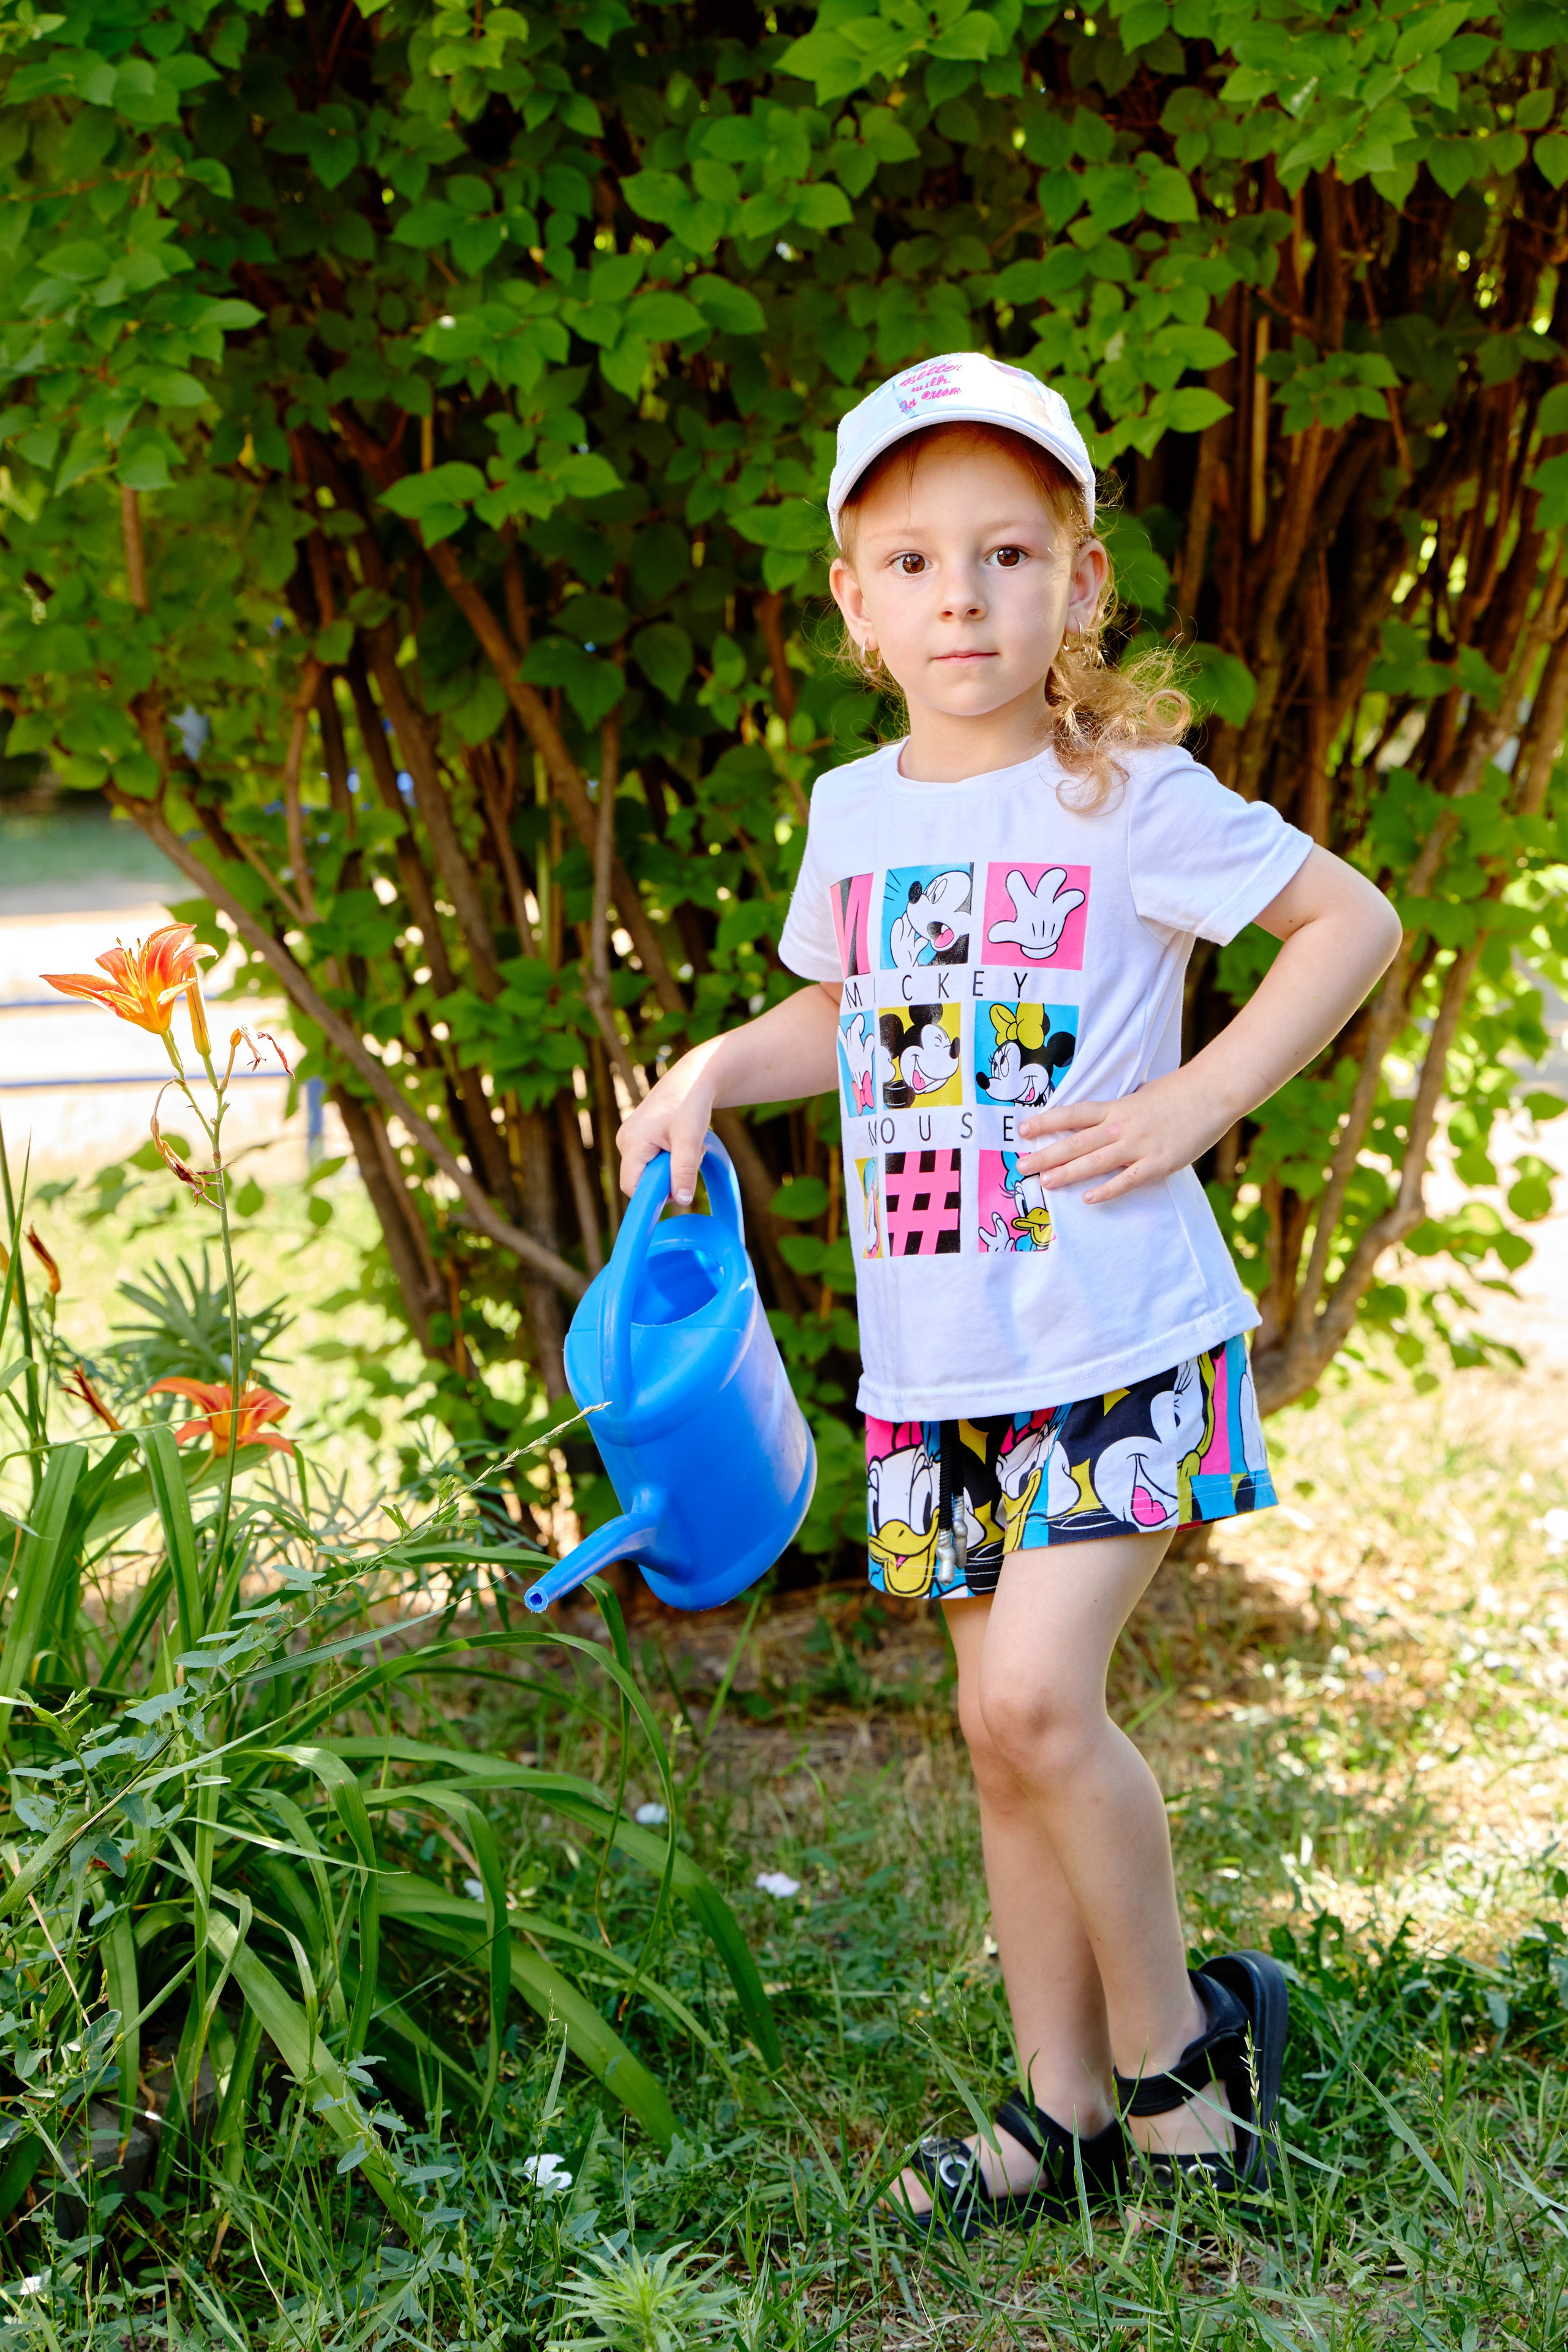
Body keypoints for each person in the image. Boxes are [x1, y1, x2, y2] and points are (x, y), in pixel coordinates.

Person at [616, 353, 1402, 2230]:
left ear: (1080, 578)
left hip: (1119, 1339)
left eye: (1005, 552)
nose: (960, 596)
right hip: (940, 1363)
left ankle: (1183, 2068)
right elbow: (850, 1013)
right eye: (912, 561)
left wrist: (1204, 1097)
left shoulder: (1125, 798)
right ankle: (1056, 2111)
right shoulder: (852, 811)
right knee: (993, 1737)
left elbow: (1347, 923)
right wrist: (720, 1064)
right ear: (854, 602)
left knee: (1045, 1701)